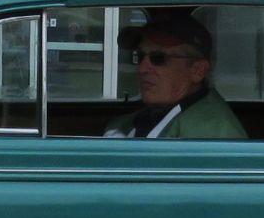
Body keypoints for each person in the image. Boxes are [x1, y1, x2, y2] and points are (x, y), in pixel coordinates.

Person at [106, 10, 248, 139]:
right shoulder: (150, 115)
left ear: (197, 70)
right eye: (140, 56)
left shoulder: (210, 134)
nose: (142, 68)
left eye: (158, 58)